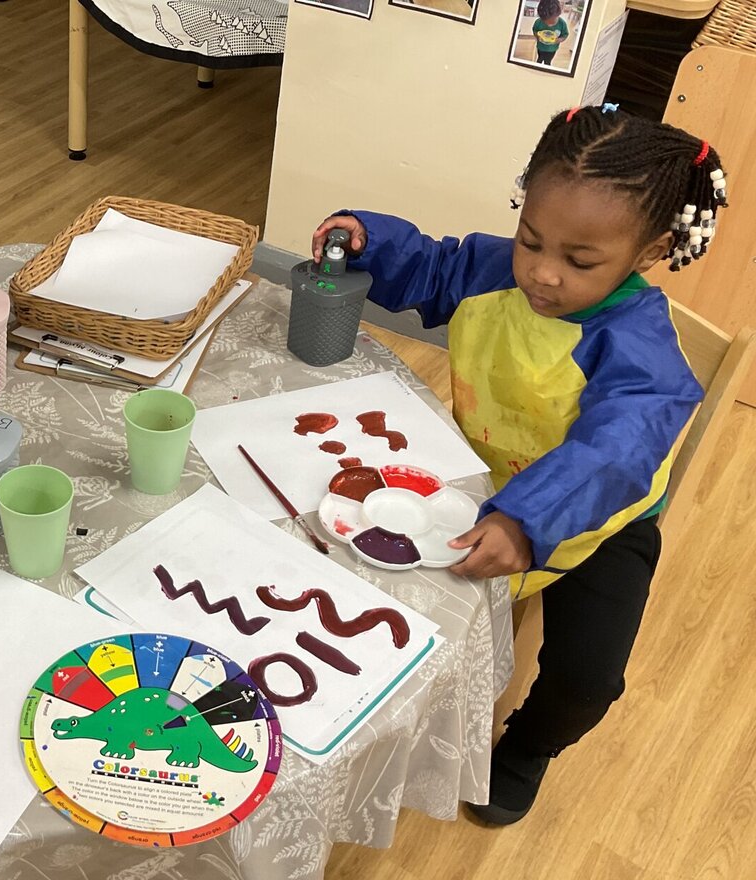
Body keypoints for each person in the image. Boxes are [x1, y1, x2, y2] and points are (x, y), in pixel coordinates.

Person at [310, 105, 726, 824]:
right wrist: (369, 237)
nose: (541, 273)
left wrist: (531, 518)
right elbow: (433, 266)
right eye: (532, 239)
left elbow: (617, 451)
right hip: (475, 479)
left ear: (650, 250)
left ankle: (530, 746)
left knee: (587, 679)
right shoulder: (495, 270)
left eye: (580, 261)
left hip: (594, 518)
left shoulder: (639, 343)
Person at [532, 0, 569, 66]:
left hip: (552, 49)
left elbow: (565, 34)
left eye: (552, 22)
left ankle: (547, 64)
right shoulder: (538, 22)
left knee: (548, 61)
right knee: (539, 58)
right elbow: (534, 30)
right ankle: (539, 62)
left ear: (559, 14)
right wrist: (537, 36)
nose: (549, 25)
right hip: (540, 47)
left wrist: (559, 40)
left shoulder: (562, 23)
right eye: (546, 22)